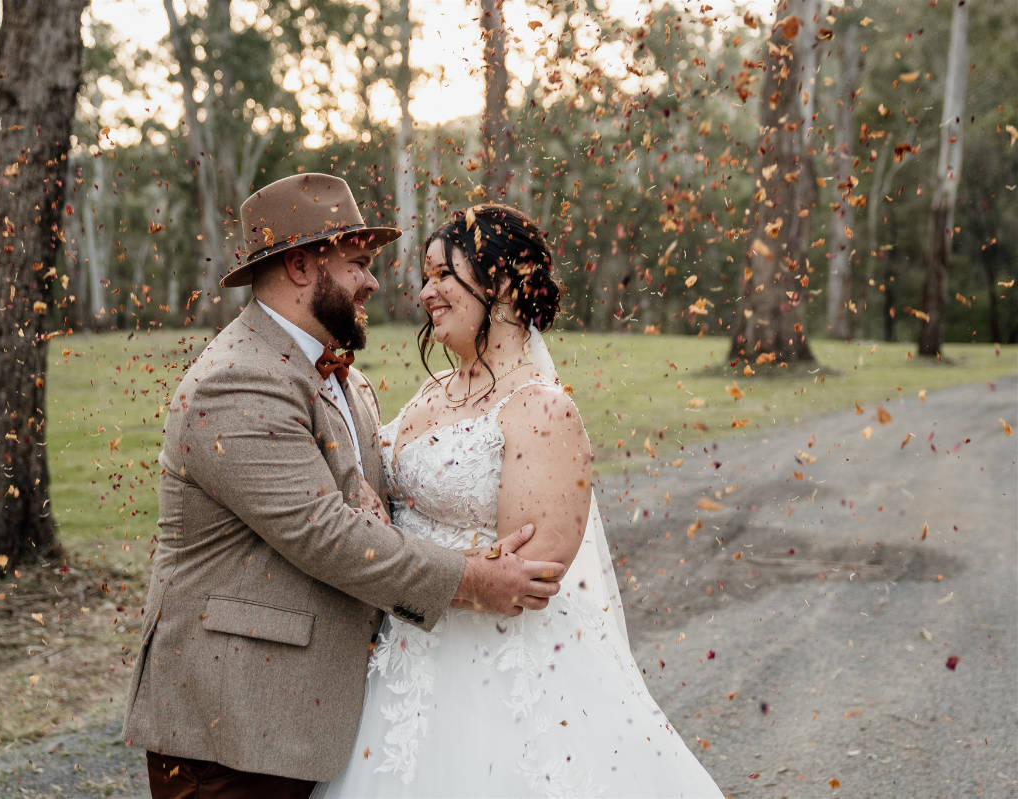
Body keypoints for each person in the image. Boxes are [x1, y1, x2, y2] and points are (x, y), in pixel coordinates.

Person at [121, 175, 567, 799]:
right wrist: (474, 579)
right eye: (358, 263)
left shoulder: (341, 375)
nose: (374, 282)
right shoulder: (237, 381)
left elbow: (367, 504)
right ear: (301, 267)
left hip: (309, 711)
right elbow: (324, 534)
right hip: (231, 725)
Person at [314, 204, 723, 797]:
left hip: (499, 675)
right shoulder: (435, 391)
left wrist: (390, 543)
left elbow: (527, 574)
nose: (426, 292)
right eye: (425, 277)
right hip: (406, 658)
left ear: (504, 282)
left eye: (441, 275)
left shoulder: (543, 410)